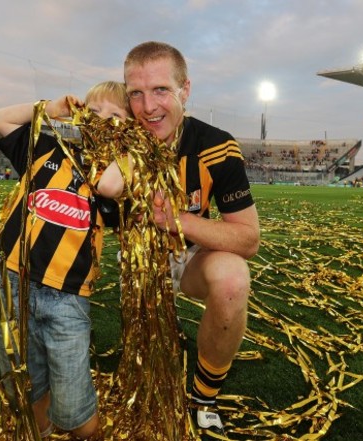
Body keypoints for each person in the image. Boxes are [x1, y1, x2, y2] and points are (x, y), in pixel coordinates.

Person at [122, 41, 260, 440]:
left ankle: (203, 396)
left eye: (161, 90)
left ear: (185, 90)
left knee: (234, 276)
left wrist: (175, 220)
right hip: (134, 261)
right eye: (136, 93)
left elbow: (248, 239)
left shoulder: (215, 145)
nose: (148, 107)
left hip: (188, 255)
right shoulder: (117, 137)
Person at [0, 81, 130, 440]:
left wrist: (128, 149)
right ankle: (41, 429)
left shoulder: (116, 172)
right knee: (28, 384)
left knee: (77, 413)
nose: (103, 121)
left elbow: (111, 188)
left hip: (65, 296)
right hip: (12, 282)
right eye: (95, 111)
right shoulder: (46, 146)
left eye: (116, 116)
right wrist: (49, 110)